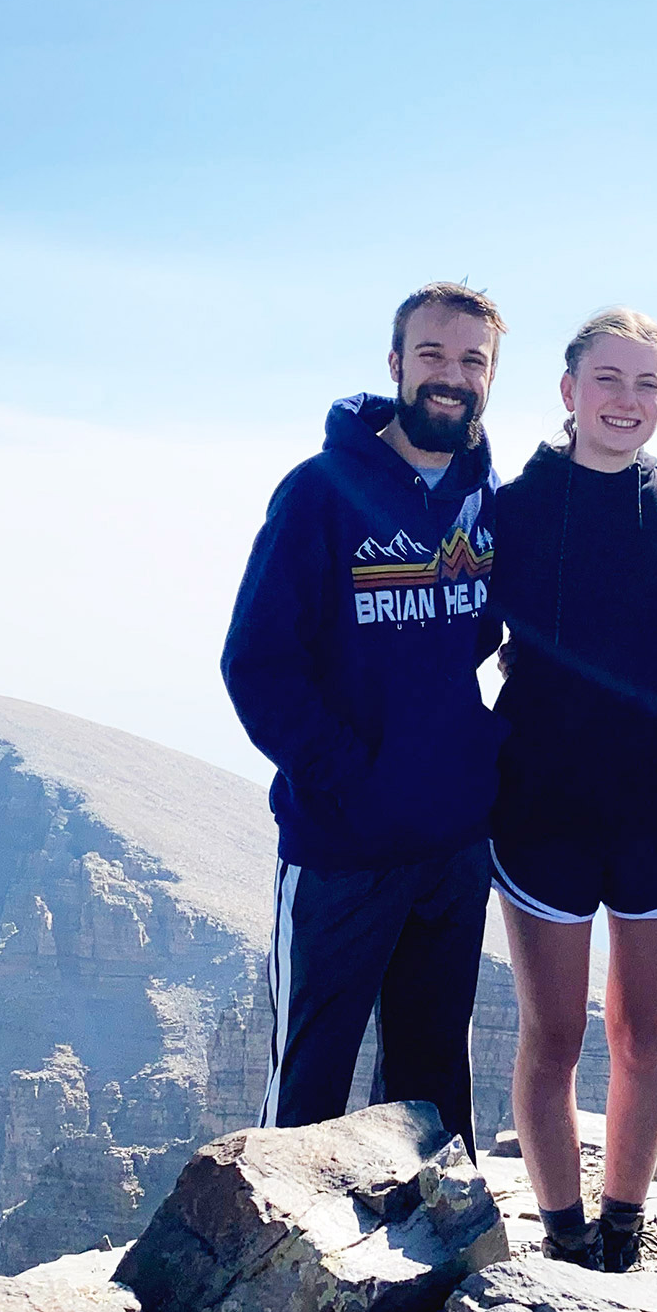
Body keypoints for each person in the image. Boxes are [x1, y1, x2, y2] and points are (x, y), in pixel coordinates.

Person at [220, 281, 508, 1159]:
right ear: (396, 365)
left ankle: (431, 1279)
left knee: (430, 1091)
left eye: (471, 361)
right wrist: (349, 776)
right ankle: (267, 1277)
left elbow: (488, 635)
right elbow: (257, 663)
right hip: (343, 846)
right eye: (432, 356)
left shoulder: (485, 494)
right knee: (308, 1090)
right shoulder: (319, 492)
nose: (450, 377)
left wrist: (472, 759)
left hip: (453, 846)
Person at [489, 308, 657, 1273]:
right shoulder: (511, 507)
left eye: (646, 385)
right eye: (608, 380)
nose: (626, 401)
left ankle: (622, 1231)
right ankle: (564, 1229)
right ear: (569, 391)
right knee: (551, 1034)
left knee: (643, 1032)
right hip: (542, 803)